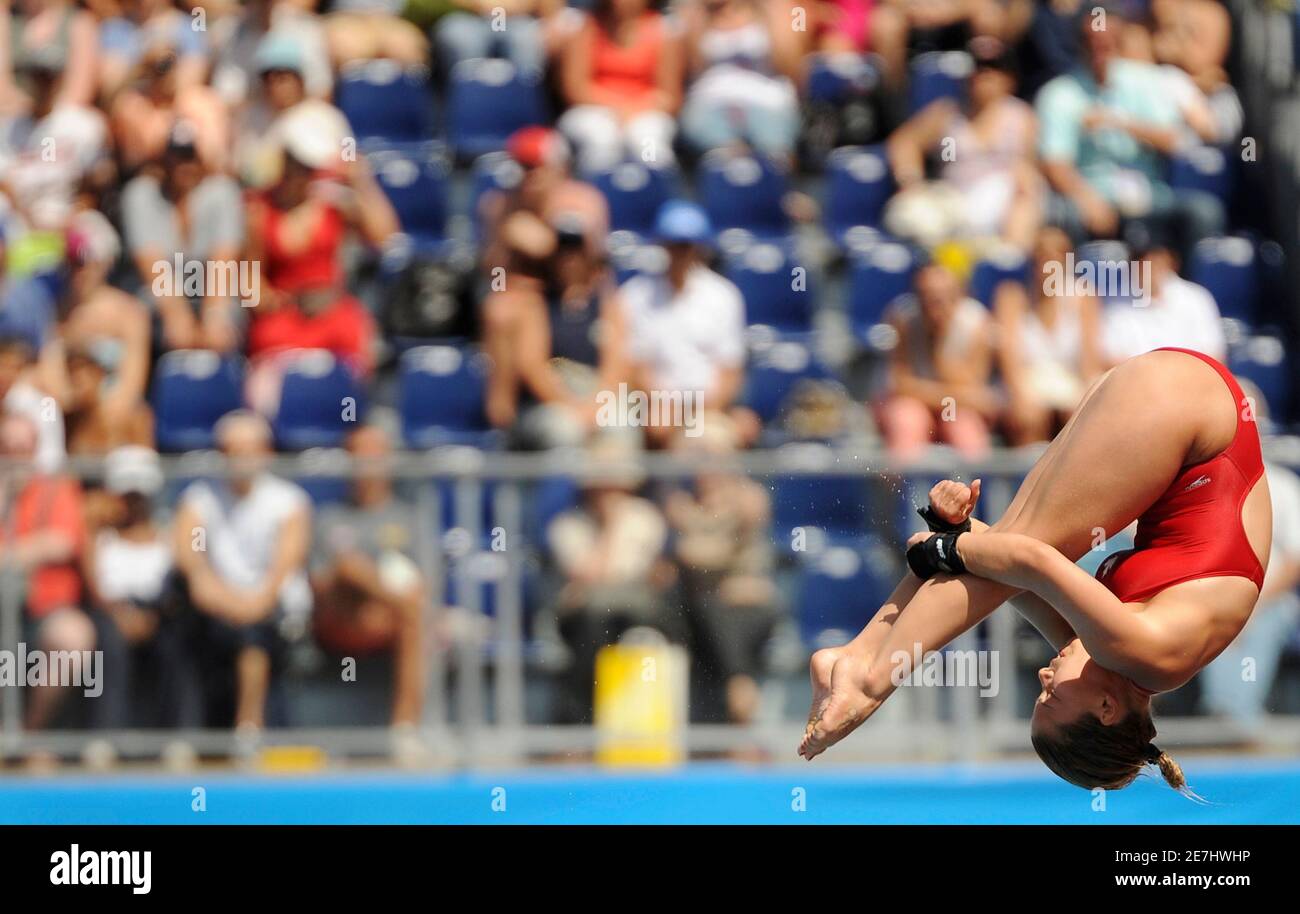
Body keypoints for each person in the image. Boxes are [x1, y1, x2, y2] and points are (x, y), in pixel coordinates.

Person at [799, 347, 1271, 795]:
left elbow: (1009, 572)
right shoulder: (1147, 652)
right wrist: (953, 549)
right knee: (1014, 546)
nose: (1043, 679)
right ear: (1107, 710)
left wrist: (958, 531)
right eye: (1052, 700)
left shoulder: (1107, 654)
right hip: (1192, 413)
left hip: (1177, 396)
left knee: (1003, 550)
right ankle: (868, 680)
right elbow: (1031, 560)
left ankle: (856, 652)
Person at [1035, 8, 1223, 254]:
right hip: (1094, 192)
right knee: (1065, 216)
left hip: (1149, 193)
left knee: (1205, 212)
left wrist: (1121, 123)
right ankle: (1078, 288)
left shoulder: (1144, 81)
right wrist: (1087, 199)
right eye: (1093, 44)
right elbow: (1055, 163)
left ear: (1119, 42)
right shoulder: (1059, 94)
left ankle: (1185, 289)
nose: (1100, 52)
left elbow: (1173, 141)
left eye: (1107, 44)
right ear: (1080, 45)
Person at [171, 411, 312, 732]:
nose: (242, 459)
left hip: (273, 609)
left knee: (254, 634)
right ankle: (186, 736)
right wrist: (227, 600)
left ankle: (249, 727)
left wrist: (254, 604)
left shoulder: (289, 501)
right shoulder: (199, 499)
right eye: (233, 451)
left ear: (266, 452)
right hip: (215, 608)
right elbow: (192, 562)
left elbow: (283, 569)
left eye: (250, 450)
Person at [310, 424, 426, 730]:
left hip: (388, 617)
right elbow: (319, 587)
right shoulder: (329, 517)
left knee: (413, 615)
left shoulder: (410, 519)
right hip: (338, 615)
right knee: (349, 566)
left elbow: (421, 584)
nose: (365, 464)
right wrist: (359, 577)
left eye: (373, 455)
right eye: (357, 455)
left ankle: (405, 728)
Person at [485, 215, 629, 449]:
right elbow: (532, 366)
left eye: (575, 252)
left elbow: (616, 363)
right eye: (562, 253)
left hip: (596, 393)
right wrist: (572, 407)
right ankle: (562, 486)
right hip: (553, 400)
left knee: (621, 423)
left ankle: (613, 486)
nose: (569, 260)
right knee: (564, 430)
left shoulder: (606, 304)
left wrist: (594, 407)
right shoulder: (536, 304)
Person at [885, 36, 1040, 252]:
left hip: (1001, 207)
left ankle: (1004, 263)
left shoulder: (1021, 117)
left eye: (991, 67)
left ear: (1009, 78)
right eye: (977, 67)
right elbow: (904, 143)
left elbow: (1028, 168)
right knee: (909, 215)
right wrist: (910, 180)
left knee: (1026, 201)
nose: (982, 74)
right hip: (953, 205)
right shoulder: (947, 114)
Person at [83, 445, 198, 729]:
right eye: (126, 495)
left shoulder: (170, 534)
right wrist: (119, 615)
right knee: (108, 645)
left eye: (139, 495)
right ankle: (107, 735)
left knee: (177, 643)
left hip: (159, 613)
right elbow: (92, 585)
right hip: (109, 615)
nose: (133, 503)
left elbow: (183, 580)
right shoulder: (99, 537)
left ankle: (180, 735)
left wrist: (154, 615)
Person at [618, 201, 750, 447]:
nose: (680, 252)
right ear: (663, 246)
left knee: (719, 436)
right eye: (674, 245)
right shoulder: (635, 295)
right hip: (654, 409)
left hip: (708, 408)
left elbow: (730, 370)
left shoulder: (723, 296)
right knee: (657, 427)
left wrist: (703, 413)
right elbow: (634, 365)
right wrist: (662, 407)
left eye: (686, 245)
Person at [120, 121, 244, 351]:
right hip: (159, 294)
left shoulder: (223, 192)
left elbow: (223, 261)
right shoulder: (141, 195)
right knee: (166, 329)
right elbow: (152, 264)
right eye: (175, 158)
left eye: (189, 158)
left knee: (223, 330)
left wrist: (214, 315)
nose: (183, 166)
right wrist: (176, 315)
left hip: (211, 290)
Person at [0, 410, 89, 730]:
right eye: (6, 446)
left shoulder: (56, 487)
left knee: (73, 638)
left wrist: (13, 554)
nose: (14, 454)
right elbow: (46, 544)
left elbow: (64, 542)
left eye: (22, 447)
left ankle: (29, 735)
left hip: (42, 610)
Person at [875, 262, 998, 460]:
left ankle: (974, 490)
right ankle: (906, 491)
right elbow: (899, 384)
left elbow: (979, 396)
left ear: (959, 296)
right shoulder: (902, 319)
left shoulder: (977, 324)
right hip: (918, 405)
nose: (934, 307)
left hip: (952, 408)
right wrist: (952, 396)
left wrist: (941, 346)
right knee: (907, 421)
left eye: (942, 299)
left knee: (965, 430)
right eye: (926, 297)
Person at [993, 226, 1102, 445]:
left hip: (1069, 383)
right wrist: (1020, 396)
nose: (1047, 262)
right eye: (1041, 255)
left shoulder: (1083, 297)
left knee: (1081, 417)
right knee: (1029, 417)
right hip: (1026, 383)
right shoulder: (1012, 296)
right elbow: (1009, 360)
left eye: (1055, 255)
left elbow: (1089, 363)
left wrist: (1087, 400)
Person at [557, 0, 684, 173]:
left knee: (647, 141)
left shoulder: (663, 30)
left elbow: (669, 96)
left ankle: (655, 190)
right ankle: (598, 192)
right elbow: (575, 87)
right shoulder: (586, 26)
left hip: (644, 110)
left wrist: (634, 110)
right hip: (594, 108)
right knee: (601, 140)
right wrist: (618, 107)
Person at [677, 0, 803, 162]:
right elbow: (692, 69)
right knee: (725, 159)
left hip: (769, 101)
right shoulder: (693, 12)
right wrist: (698, 16)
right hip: (710, 102)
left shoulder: (777, 8)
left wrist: (770, 13)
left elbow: (793, 69)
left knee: (775, 157)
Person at [1100, 235, 1225, 366]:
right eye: (1140, 259)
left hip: (1191, 381)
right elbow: (1111, 362)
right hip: (1138, 382)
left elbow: (1215, 358)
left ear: (1171, 261)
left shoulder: (1196, 298)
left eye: (1154, 258)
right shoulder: (1114, 304)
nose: (1147, 266)